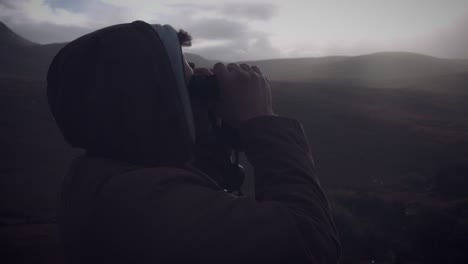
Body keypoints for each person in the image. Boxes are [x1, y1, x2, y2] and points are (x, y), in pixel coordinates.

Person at [47, 20, 341, 263]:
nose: (202, 81)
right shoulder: (138, 207)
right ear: (154, 102)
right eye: (187, 80)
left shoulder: (104, 178)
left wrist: (210, 133)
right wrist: (261, 120)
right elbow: (309, 241)